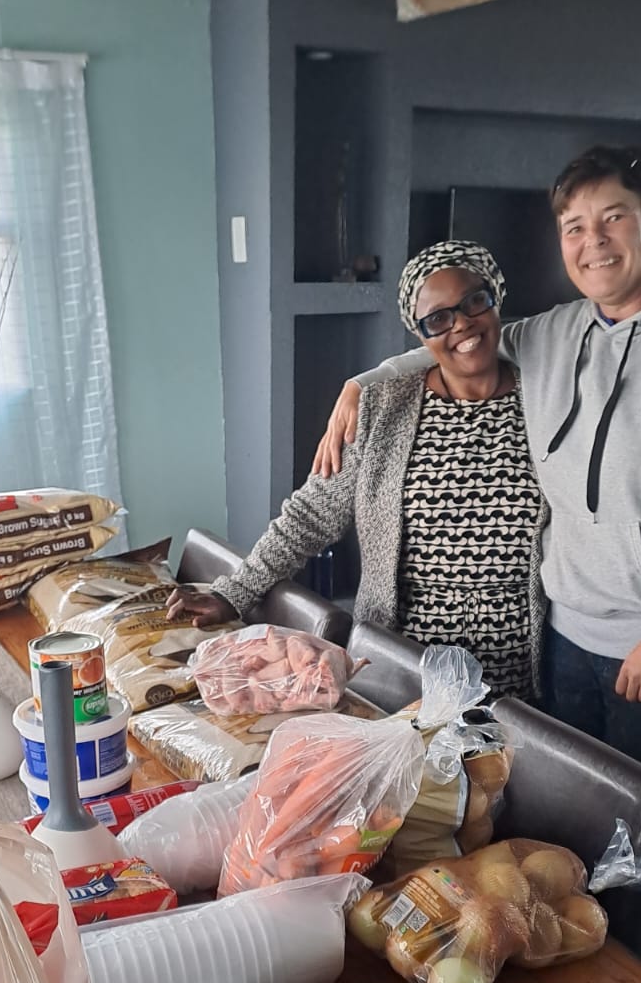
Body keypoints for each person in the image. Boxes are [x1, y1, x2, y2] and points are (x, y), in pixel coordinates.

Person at [310, 145, 641, 783]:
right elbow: (464, 342)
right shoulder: (562, 331)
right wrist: (366, 382)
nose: (594, 242)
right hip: (570, 636)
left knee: (640, 842)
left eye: (613, 218)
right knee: (567, 826)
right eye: (575, 228)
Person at [166, 242, 545, 699]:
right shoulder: (382, 408)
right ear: (420, 333)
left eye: (473, 301)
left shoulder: (547, 399)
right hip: (402, 668)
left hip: (515, 674)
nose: (461, 323)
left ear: (494, 298)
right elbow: (310, 516)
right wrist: (235, 591)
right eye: (438, 318)